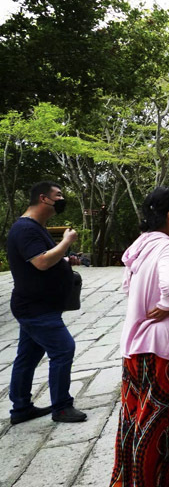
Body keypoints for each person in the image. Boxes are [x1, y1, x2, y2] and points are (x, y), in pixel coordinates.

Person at [110, 187, 169, 486]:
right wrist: (166, 304)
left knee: (134, 422)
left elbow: (126, 285)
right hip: (163, 348)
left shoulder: (141, 245)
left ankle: (126, 481)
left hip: (135, 345)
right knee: (159, 428)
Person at [6, 181, 86, 424]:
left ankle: (20, 408)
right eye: (58, 195)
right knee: (63, 349)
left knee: (28, 356)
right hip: (35, 307)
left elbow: (46, 261)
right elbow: (40, 262)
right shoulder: (26, 229)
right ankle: (61, 406)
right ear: (43, 198)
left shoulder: (35, 227)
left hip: (38, 305)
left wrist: (65, 260)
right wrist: (66, 242)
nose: (62, 199)